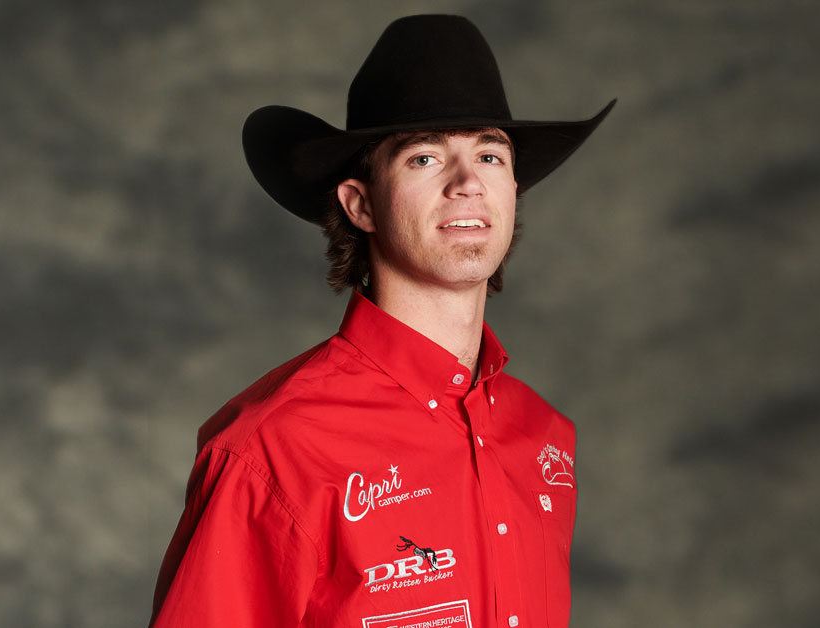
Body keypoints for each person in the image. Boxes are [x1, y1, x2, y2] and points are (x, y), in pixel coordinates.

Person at [149, 14, 613, 628]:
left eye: (490, 154)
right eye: (425, 157)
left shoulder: (544, 439)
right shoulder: (275, 450)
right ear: (361, 204)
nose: (468, 182)